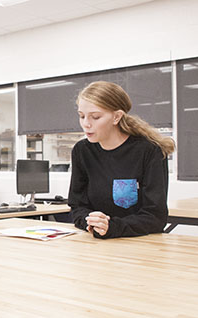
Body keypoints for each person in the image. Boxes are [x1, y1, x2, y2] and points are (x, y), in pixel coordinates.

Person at [68, 81, 175, 239]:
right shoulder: (82, 151)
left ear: (117, 116)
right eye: (81, 116)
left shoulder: (149, 151)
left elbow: (155, 217)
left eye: (95, 117)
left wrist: (112, 227)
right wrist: (90, 222)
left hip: (141, 245)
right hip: (96, 244)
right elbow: (77, 206)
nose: (86, 124)